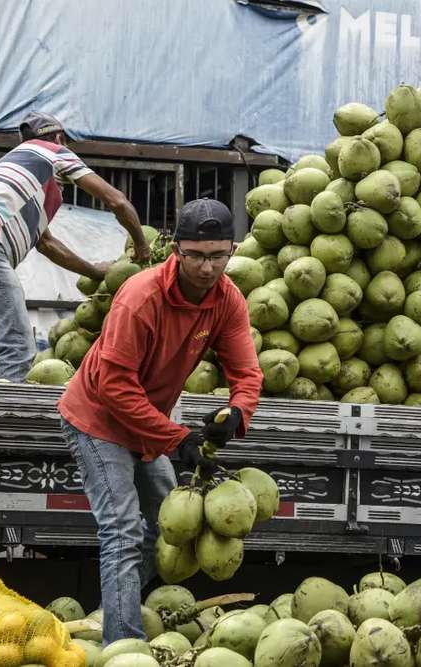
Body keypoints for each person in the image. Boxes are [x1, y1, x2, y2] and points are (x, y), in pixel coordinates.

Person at [57, 198, 263, 643]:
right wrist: (177, 438)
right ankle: (124, 644)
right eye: (196, 256)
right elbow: (114, 386)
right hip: (97, 420)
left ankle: (114, 612)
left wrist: (238, 413)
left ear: (232, 251)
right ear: (175, 251)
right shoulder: (140, 296)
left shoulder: (228, 300)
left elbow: (247, 373)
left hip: (146, 423)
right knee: (123, 529)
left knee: (170, 530)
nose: (207, 268)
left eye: (218, 256)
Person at [0, 111, 150, 382]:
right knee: (18, 349)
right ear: (59, 138)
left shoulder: (15, 171)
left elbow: (47, 244)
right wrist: (142, 246)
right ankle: (10, 422)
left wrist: (95, 272)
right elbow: (116, 200)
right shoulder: (54, 152)